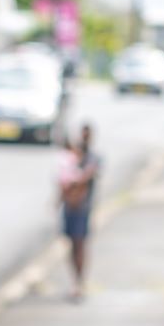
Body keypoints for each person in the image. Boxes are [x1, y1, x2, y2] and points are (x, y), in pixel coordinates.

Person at [58, 122, 99, 301]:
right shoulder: (71, 157)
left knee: (80, 244)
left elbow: (85, 177)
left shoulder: (93, 158)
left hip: (83, 208)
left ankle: (79, 282)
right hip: (70, 207)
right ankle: (75, 280)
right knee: (71, 245)